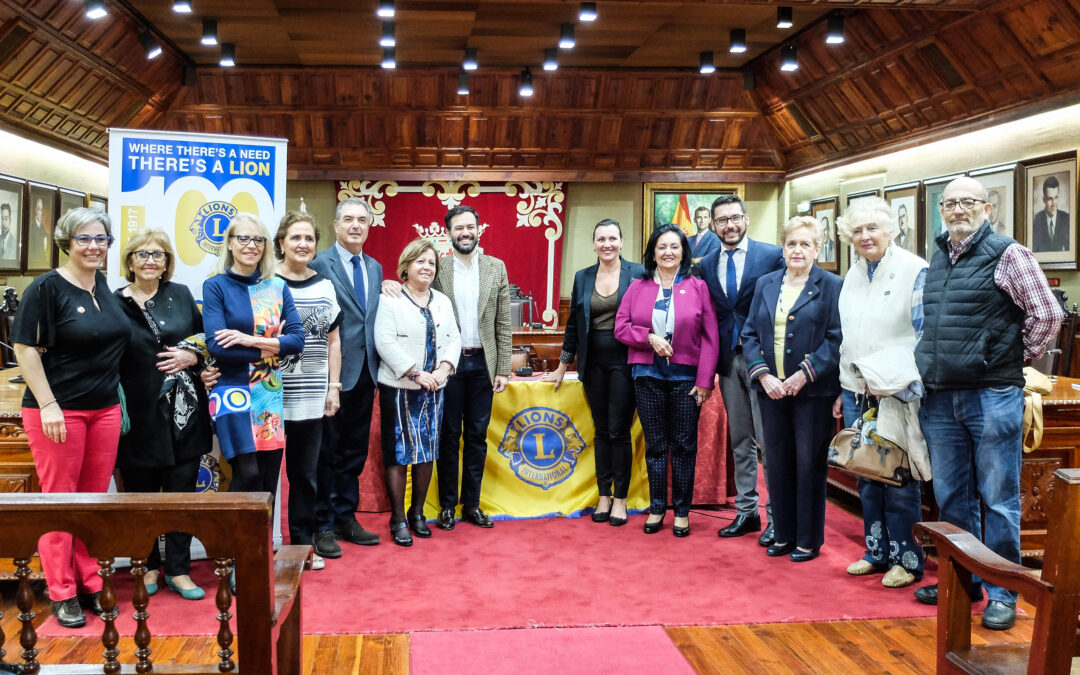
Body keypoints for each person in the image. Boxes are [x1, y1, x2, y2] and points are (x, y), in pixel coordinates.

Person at [913, 176, 1063, 630]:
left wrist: (1009, 356)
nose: (958, 210)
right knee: (951, 497)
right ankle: (965, 580)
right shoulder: (938, 255)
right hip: (941, 398)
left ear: (986, 208)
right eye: (950, 203)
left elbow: (1048, 314)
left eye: (967, 202)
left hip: (992, 395)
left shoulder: (1007, 253)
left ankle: (1003, 592)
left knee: (998, 499)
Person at [12, 207, 130, 627]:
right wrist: (48, 405)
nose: (94, 246)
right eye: (85, 238)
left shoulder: (105, 288)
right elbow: (24, 348)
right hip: (59, 412)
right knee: (60, 500)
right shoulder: (46, 288)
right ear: (66, 242)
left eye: (101, 239)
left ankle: (90, 580)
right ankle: (61, 590)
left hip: (105, 411)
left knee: (94, 500)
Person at [833, 199, 929, 589]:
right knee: (866, 471)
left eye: (873, 227)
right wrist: (846, 386)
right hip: (856, 388)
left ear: (892, 230)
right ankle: (876, 550)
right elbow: (849, 335)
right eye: (857, 231)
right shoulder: (853, 273)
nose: (865, 236)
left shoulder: (914, 269)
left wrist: (890, 377)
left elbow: (923, 334)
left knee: (898, 476)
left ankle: (907, 558)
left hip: (897, 390)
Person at [115, 228, 212, 601]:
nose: (151, 260)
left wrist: (194, 357)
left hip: (183, 415)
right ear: (129, 261)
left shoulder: (182, 295)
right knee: (141, 499)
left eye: (158, 254)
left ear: (167, 262)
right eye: (142, 254)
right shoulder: (114, 302)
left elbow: (205, 340)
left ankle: (179, 570)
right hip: (137, 416)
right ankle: (148, 566)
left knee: (181, 496)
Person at [740, 216, 842, 562]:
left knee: (808, 465)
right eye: (791, 244)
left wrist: (804, 374)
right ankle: (782, 534)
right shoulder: (766, 283)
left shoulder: (832, 286)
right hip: (771, 391)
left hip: (812, 393)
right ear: (783, 249)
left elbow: (836, 338)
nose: (797, 250)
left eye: (805, 244)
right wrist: (763, 375)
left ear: (817, 249)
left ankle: (808, 540)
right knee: (778, 463)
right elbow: (750, 333)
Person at [614, 223, 719, 537]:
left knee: (685, 446)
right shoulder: (638, 286)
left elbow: (711, 337)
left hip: (687, 379)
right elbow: (621, 327)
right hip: (647, 376)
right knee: (656, 446)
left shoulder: (698, 286)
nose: (668, 252)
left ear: (683, 252)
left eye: (675, 246)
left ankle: (683, 512)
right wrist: (648, 338)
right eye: (662, 247)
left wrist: (705, 382)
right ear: (653, 252)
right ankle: (658, 507)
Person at [545, 219, 645, 526]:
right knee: (601, 430)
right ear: (593, 244)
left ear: (622, 241)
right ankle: (603, 495)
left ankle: (621, 499)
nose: (607, 244)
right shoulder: (583, 276)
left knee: (619, 430)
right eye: (601, 238)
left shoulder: (638, 273)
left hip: (626, 360)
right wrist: (562, 365)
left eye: (612, 238)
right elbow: (574, 324)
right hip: (593, 362)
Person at [698, 195, 784, 544]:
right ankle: (747, 512)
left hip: (764, 361)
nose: (729, 225)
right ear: (713, 226)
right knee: (741, 440)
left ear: (746, 219)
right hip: (729, 362)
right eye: (722, 220)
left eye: (735, 218)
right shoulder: (705, 264)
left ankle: (777, 516)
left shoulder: (771, 255)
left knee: (769, 441)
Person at [202, 213, 305, 505]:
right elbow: (218, 347)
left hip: (268, 391)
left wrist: (250, 340)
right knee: (246, 474)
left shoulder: (277, 286)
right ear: (230, 244)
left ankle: (258, 551)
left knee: (267, 481)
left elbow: (297, 341)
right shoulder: (216, 286)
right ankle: (232, 547)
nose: (251, 245)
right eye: (243, 238)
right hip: (231, 388)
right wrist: (272, 347)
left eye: (258, 239)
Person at [308, 198, 383, 556]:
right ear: (336, 225)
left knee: (353, 452)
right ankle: (321, 524)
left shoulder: (375, 267)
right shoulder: (319, 263)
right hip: (330, 373)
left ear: (369, 226)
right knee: (327, 452)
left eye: (362, 220)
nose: (355, 225)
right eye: (348, 220)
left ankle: (345, 517)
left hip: (367, 373)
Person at [374, 238, 460, 546]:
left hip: (434, 388)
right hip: (400, 388)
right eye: (420, 261)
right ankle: (397, 519)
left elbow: (454, 338)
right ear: (406, 266)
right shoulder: (391, 298)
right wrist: (415, 372)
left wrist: (443, 370)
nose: (426, 267)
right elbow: (384, 341)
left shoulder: (442, 300)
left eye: (432, 263)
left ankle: (418, 514)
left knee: (427, 453)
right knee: (398, 455)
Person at [433, 205, 512, 530]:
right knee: (449, 436)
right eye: (458, 228)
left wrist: (503, 368)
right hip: (448, 364)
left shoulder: (496, 268)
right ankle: (448, 506)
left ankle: (472, 505)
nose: (465, 233)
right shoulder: (438, 268)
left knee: (477, 437)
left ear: (480, 230)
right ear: (449, 233)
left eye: (470, 227)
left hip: (483, 363)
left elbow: (503, 322)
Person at [274, 211, 342, 570]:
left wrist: (334, 387)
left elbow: (334, 341)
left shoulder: (325, 285)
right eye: (295, 237)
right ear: (281, 242)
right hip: (269, 394)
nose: (303, 244)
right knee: (265, 477)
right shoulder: (266, 282)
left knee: (305, 475)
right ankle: (262, 547)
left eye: (309, 239)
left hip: (313, 395)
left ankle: (301, 547)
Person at [1031, 175, 1070, 252]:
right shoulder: (1036, 221)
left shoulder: (1067, 219)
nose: (1053, 204)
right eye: (1050, 199)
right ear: (1044, 200)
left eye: (1056, 198)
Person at [28, 196, 49, 268]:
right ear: (35, 210)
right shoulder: (31, 228)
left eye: (41, 209)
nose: (40, 212)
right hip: (34, 263)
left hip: (42, 262)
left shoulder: (43, 228)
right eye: (38, 209)